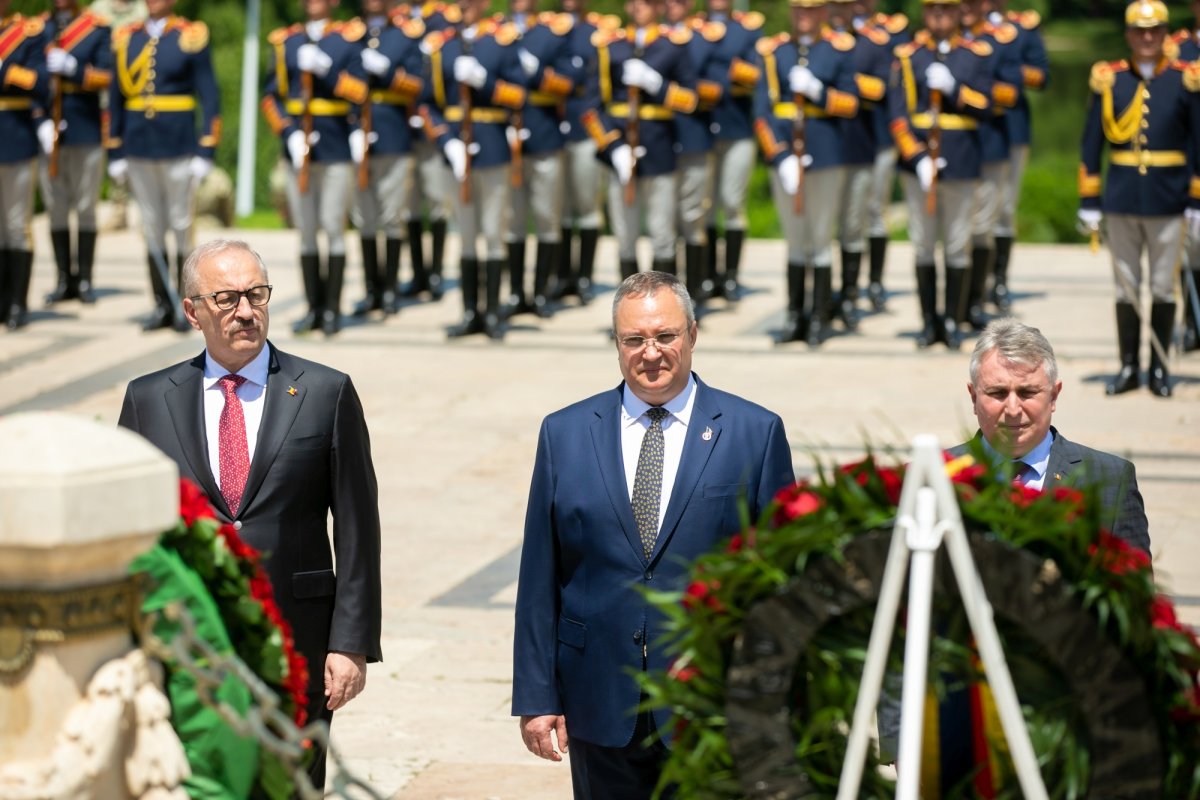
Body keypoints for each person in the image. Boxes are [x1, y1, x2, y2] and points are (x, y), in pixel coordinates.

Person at [512, 270, 795, 800]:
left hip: (711, 701)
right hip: (598, 698)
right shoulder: (565, 433)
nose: (650, 353)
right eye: (634, 339)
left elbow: (783, 581)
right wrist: (536, 695)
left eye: (665, 336)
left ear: (692, 334)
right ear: (616, 344)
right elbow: (540, 575)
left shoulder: (754, 433)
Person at [117, 238, 383, 791]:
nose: (245, 311)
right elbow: (125, 531)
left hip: (298, 642)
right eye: (227, 299)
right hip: (189, 644)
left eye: (256, 295)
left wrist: (350, 642)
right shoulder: (149, 400)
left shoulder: (324, 392)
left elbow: (358, 527)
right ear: (192, 311)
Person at [1078, 0, 1200, 398]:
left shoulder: (1186, 79)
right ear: (1128, 35)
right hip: (1122, 197)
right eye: (1139, 31)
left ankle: (1161, 368)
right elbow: (1092, 142)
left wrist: (1196, 200)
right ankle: (1129, 366)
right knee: (1125, 286)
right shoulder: (1110, 80)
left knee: (1164, 287)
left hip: (1168, 197)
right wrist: (1089, 198)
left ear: (1165, 34)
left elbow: (1198, 143)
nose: (1148, 38)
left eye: (1155, 30)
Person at [959, 318, 1150, 551]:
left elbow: (1132, 584)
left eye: (1027, 392)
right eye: (997, 393)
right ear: (974, 397)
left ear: (1053, 396)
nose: (1012, 409)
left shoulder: (1111, 481)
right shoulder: (932, 477)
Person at [108, 0, 220, 333]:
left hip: (179, 145)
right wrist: (115, 149)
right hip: (139, 145)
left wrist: (206, 148)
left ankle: (184, 305)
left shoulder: (190, 36)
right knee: (152, 227)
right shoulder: (127, 38)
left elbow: (210, 95)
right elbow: (116, 97)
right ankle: (161, 303)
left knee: (182, 225)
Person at [754, 0, 859, 347]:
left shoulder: (837, 50)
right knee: (796, 240)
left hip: (825, 154)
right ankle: (795, 315)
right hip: (786, 157)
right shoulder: (775, 52)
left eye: (812, 10)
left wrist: (819, 92)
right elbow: (762, 112)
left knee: (820, 238)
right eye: (799, 9)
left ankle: (820, 317)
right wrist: (780, 155)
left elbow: (851, 103)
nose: (805, 16)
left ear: (824, 13)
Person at [887, 0, 992, 350]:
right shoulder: (908, 55)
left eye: (946, 9)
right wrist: (916, 156)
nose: (938, 15)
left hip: (960, 159)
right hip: (919, 163)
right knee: (923, 244)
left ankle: (952, 320)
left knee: (958, 244)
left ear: (958, 12)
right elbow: (898, 114)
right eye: (932, 9)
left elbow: (988, 105)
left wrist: (955, 90)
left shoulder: (975, 53)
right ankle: (929, 321)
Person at [420, 0, 527, 340]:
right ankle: (470, 311)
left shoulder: (501, 42)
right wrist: (445, 141)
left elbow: (519, 96)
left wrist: (487, 83)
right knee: (465, 234)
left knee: (494, 233)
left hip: (492, 146)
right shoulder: (443, 47)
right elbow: (427, 104)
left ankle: (493, 312)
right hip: (456, 149)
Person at [262, 0, 369, 336]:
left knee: (333, 228)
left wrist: (328, 71)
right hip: (300, 149)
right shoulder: (286, 43)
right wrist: (288, 132)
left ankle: (333, 310)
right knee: (307, 231)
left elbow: (361, 91)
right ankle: (313, 307)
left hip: (335, 147)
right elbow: (271, 97)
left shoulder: (347, 40)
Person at [582, 0, 698, 279]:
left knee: (662, 232)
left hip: (660, 148)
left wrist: (658, 86)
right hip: (620, 149)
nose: (638, 7)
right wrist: (613, 147)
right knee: (625, 234)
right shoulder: (610, 47)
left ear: (659, 7)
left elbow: (690, 100)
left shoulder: (673, 46)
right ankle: (629, 308)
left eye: (646, 2)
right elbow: (590, 110)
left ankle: (664, 302)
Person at [501, 0, 577, 319]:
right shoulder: (497, 33)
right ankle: (517, 292)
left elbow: (569, 82)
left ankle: (543, 292)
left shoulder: (550, 34)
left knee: (547, 218)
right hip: (507, 140)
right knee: (513, 221)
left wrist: (541, 74)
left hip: (544, 135)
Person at [350, 0, 425, 318]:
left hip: (393, 134)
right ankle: (372, 290)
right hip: (357, 135)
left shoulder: (403, 37)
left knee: (392, 216)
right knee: (365, 217)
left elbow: (417, 84)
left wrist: (389, 74)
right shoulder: (350, 36)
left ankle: (391, 289)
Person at [39, 0, 113, 309]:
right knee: (55, 204)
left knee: (85, 205)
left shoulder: (96, 29)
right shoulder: (39, 28)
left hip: (85, 128)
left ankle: (84, 278)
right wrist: (38, 117)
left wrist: (75, 70)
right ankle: (61, 279)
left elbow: (108, 75)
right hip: (48, 129)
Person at [828, 0, 891, 330]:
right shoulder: (816, 45)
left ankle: (851, 294)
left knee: (855, 224)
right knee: (824, 227)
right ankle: (823, 297)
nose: (838, 9)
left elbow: (881, 87)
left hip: (859, 145)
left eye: (844, 4)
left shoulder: (870, 43)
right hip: (824, 150)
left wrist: (843, 80)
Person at [553, 0, 615, 306]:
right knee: (560, 207)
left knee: (588, 205)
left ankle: (585, 276)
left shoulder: (597, 32)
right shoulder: (548, 28)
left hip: (585, 126)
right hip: (552, 128)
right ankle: (563, 274)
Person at [700, 0, 762, 304]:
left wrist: (724, 77)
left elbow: (757, 72)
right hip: (702, 130)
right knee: (705, 205)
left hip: (737, 128)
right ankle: (710, 274)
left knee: (732, 202)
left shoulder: (745, 29)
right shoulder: (694, 28)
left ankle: (732, 274)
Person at [993, 0, 1047, 314]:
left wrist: (1006, 70)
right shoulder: (960, 25)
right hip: (967, 133)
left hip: (1010, 128)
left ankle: (998, 279)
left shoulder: (1021, 29)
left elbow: (1041, 76)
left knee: (1005, 206)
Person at [0, 4, 49, 331]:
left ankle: (17, 301)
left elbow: (41, 80)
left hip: (14, 135)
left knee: (16, 224)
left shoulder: (28, 32)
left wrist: (5, 69)